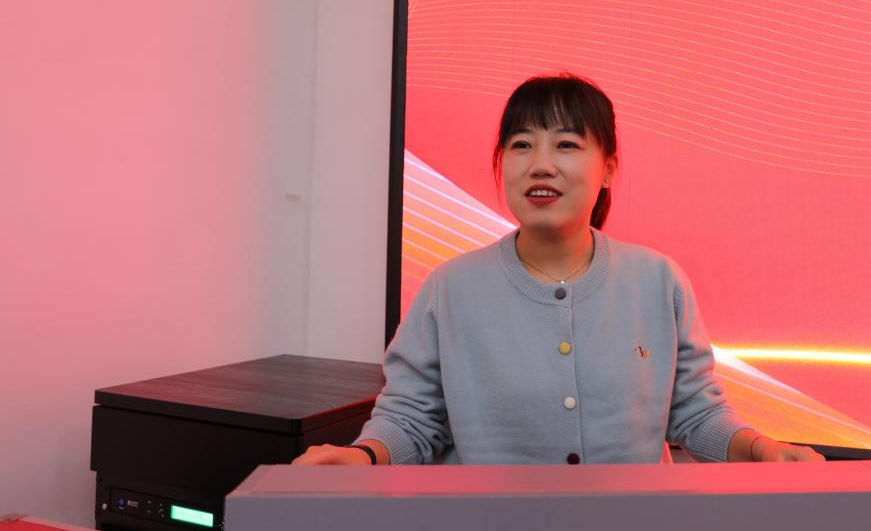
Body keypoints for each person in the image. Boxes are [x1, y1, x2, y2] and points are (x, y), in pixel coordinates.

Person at [294, 74, 822, 466]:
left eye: (566, 145)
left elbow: (696, 414)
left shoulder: (658, 281)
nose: (541, 164)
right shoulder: (450, 290)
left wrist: (760, 448)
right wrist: (363, 456)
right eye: (522, 145)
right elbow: (411, 419)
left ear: (608, 168)